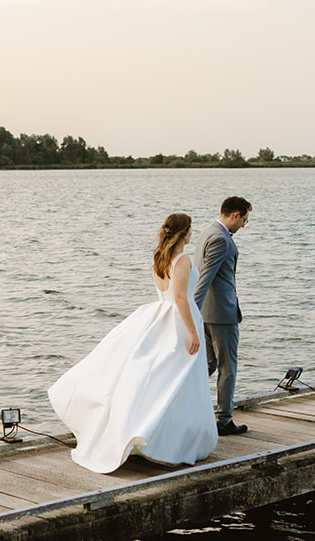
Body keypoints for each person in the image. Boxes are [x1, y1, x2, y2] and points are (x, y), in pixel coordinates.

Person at [48, 213, 220, 473]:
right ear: (184, 233)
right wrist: (193, 333)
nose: (191, 234)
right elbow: (180, 298)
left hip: (160, 316)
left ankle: (150, 432)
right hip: (178, 321)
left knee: (161, 379)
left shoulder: (159, 257)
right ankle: (171, 440)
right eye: (190, 230)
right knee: (179, 381)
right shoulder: (182, 260)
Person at [195, 196, 252, 436]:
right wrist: (191, 310)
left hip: (207, 314)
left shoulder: (207, 232)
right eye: (244, 220)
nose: (243, 225)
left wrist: (196, 312)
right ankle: (224, 420)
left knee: (207, 365)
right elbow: (205, 277)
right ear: (235, 215)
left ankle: (180, 401)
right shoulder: (220, 239)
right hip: (221, 315)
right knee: (227, 368)